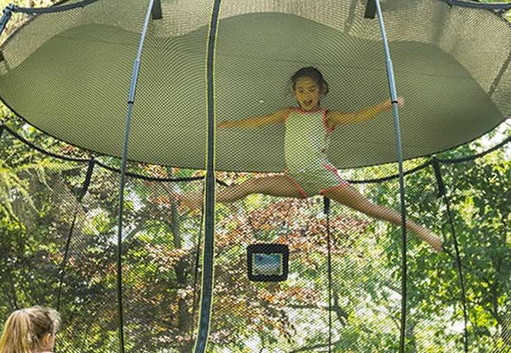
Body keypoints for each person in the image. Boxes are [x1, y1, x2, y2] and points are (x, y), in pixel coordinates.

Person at [185, 67, 442, 251]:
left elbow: (357, 117)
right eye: (301, 90)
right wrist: (231, 124)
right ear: (295, 94)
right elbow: (260, 121)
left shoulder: (327, 116)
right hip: (295, 180)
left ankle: (424, 233)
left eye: (311, 89)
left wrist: (385, 105)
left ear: (320, 91)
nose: (306, 94)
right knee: (251, 185)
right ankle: (200, 199)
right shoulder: (288, 113)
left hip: (322, 177)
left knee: (370, 209)